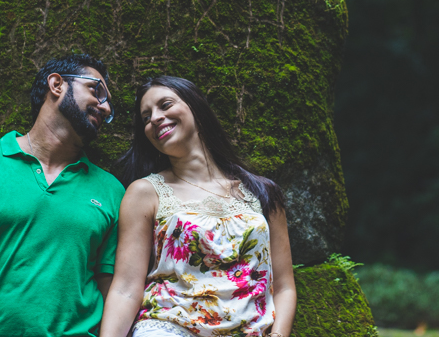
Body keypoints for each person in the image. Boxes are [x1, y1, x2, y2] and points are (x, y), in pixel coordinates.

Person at [0, 53, 125, 337]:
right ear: (57, 84)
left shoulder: (112, 191)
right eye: (96, 91)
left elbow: (114, 293)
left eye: (109, 104)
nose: (105, 107)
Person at [100, 76, 296, 337]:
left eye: (165, 105)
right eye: (146, 117)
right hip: (168, 329)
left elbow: (283, 287)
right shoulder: (145, 193)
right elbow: (125, 289)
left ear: (196, 107)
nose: (155, 118)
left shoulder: (263, 193)